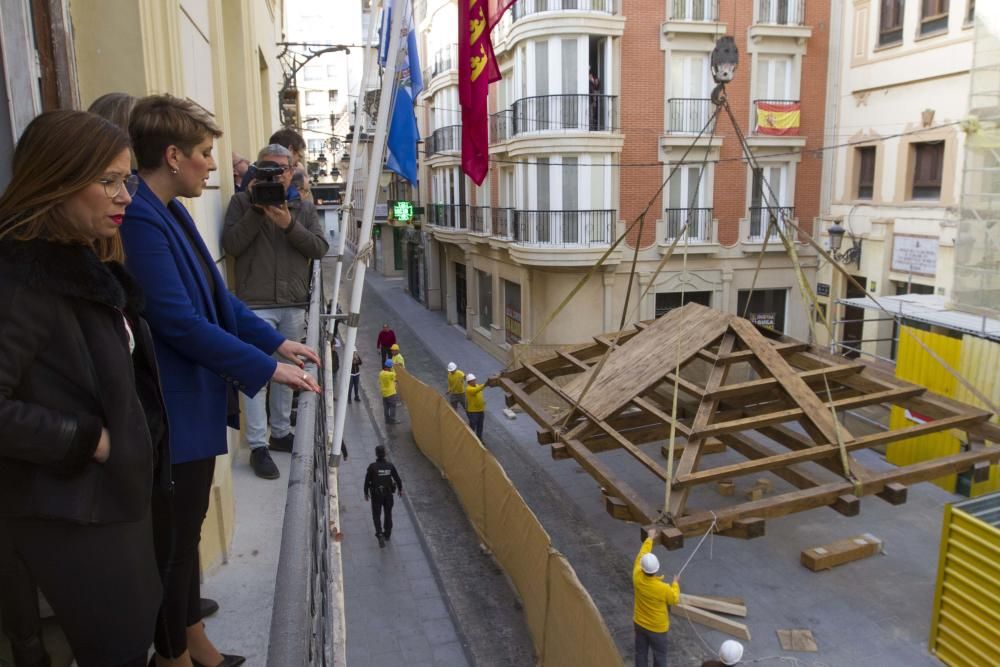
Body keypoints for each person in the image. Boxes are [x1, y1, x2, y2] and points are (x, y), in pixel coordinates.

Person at [122, 94, 322, 667]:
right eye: (205, 154)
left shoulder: (170, 210)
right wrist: (267, 368)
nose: (214, 165)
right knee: (176, 544)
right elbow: (178, 321)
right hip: (173, 406)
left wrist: (274, 342)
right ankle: (173, 657)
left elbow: (216, 298)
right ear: (173, 155)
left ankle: (195, 643)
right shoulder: (140, 215)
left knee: (186, 537)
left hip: (195, 402)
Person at [0, 109, 169, 667]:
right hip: (74, 511)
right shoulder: (21, 279)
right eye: (108, 182)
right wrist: (87, 440)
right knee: (116, 647)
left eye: (126, 181)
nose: (125, 197)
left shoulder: (81, 258)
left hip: (111, 501)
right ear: (57, 177)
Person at [221, 143, 329, 479]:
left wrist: (288, 224)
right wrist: (256, 211)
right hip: (254, 305)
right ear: (256, 169)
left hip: (292, 303)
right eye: (268, 168)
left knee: (288, 375)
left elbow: (319, 248)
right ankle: (258, 445)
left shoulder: (303, 206)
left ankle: (280, 432)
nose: (276, 174)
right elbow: (231, 246)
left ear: (291, 171)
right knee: (257, 375)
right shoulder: (241, 203)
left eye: (282, 169)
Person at [633, 528, 681, 667]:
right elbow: (674, 599)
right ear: (656, 570)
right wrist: (675, 584)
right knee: (660, 657)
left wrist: (649, 538)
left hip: (639, 623)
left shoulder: (636, 575)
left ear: (642, 568)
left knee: (640, 653)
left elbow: (642, 554)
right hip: (658, 628)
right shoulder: (663, 588)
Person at [363, 445, 402, 548]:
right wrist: (400, 490)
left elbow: (367, 481)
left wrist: (366, 493)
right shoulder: (390, 466)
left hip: (376, 496)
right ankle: (387, 534)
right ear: (385, 454)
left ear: (376, 454)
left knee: (376, 515)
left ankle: (379, 534)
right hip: (388, 495)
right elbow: (397, 479)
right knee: (388, 513)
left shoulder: (372, 467)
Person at [465, 373, 486, 439]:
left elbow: (480, 388)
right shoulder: (468, 389)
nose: (474, 381)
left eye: (474, 380)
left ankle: (479, 439)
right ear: (469, 382)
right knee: (473, 426)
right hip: (473, 412)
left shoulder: (476, 385)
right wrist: (486, 384)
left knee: (480, 426)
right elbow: (477, 390)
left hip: (480, 410)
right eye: (473, 380)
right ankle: (470, 439)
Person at [380, 359, 399, 424]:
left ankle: (387, 420)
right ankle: (392, 420)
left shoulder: (381, 373)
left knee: (386, 407)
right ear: (389, 367)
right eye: (391, 367)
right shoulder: (390, 374)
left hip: (384, 393)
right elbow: (395, 374)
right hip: (391, 393)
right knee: (392, 407)